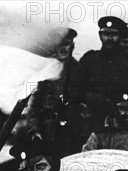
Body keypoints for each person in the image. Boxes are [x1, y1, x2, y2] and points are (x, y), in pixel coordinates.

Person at [25, 28, 85, 156]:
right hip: (47, 132)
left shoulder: (79, 71)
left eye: (66, 44)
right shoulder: (45, 72)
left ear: (72, 46)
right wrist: (34, 131)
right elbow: (34, 107)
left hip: (71, 134)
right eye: (59, 45)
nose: (62, 49)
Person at [79, 16, 128, 133]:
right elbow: (76, 89)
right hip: (89, 122)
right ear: (100, 36)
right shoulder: (89, 61)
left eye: (114, 34)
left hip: (116, 124)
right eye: (106, 34)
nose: (110, 38)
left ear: (119, 36)